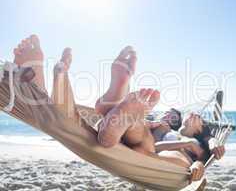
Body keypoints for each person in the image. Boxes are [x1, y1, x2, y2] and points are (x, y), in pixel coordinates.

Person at [12, 35, 205, 182]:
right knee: (131, 126)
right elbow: (154, 141)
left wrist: (194, 157)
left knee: (140, 137)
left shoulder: (191, 139)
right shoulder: (162, 126)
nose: (168, 115)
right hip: (134, 141)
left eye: (173, 115)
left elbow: (202, 157)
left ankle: (114, 106)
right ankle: (115, 106)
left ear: (197, 128)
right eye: (168, 113)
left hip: (153, 155)